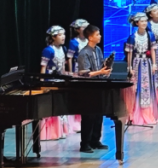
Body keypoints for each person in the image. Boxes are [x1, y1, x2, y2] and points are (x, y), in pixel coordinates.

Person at [76, 25, 111, 153]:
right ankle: (85, 144)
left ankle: (95, 140)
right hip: (88, 89)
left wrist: (106, 69)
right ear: (90, 37)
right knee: (88, 117)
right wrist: (100, 72)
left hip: (98, 86)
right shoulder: (83, 53)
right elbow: (85, 73)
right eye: (97, 34)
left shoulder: (98, 50)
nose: (100, 36)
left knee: (98, 115)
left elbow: (100, 66)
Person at [123, 13, 158, 126]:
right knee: (135, 88)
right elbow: (129, 53)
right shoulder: (132, 37)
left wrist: (154, 64)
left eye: (145, 21)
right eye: (142, 21)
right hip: (136, 63)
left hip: (146, 63)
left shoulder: (150, 35)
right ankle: (134, 114)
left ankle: (146, 114)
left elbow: (153, 50)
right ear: (137, 23)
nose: (144, 23)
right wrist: (129, 67)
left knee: (146, 87)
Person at [40, 26, 72, 140]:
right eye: (60, 35)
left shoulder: (63, 49)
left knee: (60, 105)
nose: (63, 37)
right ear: (53, 37)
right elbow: (43, 67)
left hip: (60, 81)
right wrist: (42, 83)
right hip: (50, 81)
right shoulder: (48, 50)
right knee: (51, 106)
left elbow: (63, 66)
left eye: (64, 34)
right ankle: (51, 133)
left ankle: (60, 131)